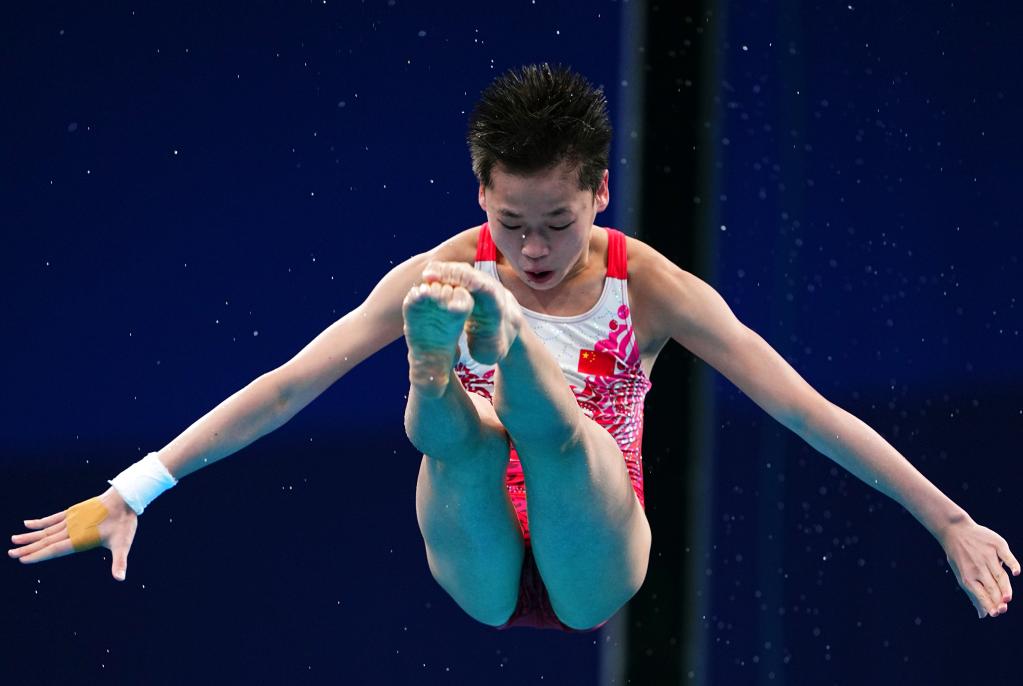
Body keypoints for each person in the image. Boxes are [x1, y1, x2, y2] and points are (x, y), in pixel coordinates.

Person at [8, 63, 1019, 631]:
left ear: (600, 195)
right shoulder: (435, 265)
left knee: (563, 434)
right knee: (460, 436)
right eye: (512, 223)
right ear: (480, 191)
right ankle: (442, 366)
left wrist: (950, 518)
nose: (535, 248)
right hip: (476, 544)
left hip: (595, 544)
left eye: (559, 223)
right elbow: (287, 386)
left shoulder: (652, 285)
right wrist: (132, 488)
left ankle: (482, 350)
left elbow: (804, 406)